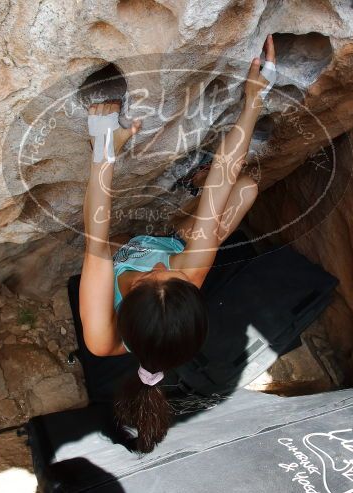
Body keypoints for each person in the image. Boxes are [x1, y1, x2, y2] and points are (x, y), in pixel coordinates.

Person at [79, 35, 277, 452]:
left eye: (149, 280)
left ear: (127, 307)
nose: (159, 269)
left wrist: (105, 143)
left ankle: (185, 188)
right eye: (170, 276)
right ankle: (193, 178)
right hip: (173, 235)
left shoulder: (102, 336)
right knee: (243, 190)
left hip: (123, 246)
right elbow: (225, 177)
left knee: (114, 242)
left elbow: (96, 233)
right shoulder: (189, 273)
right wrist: (254, 98)